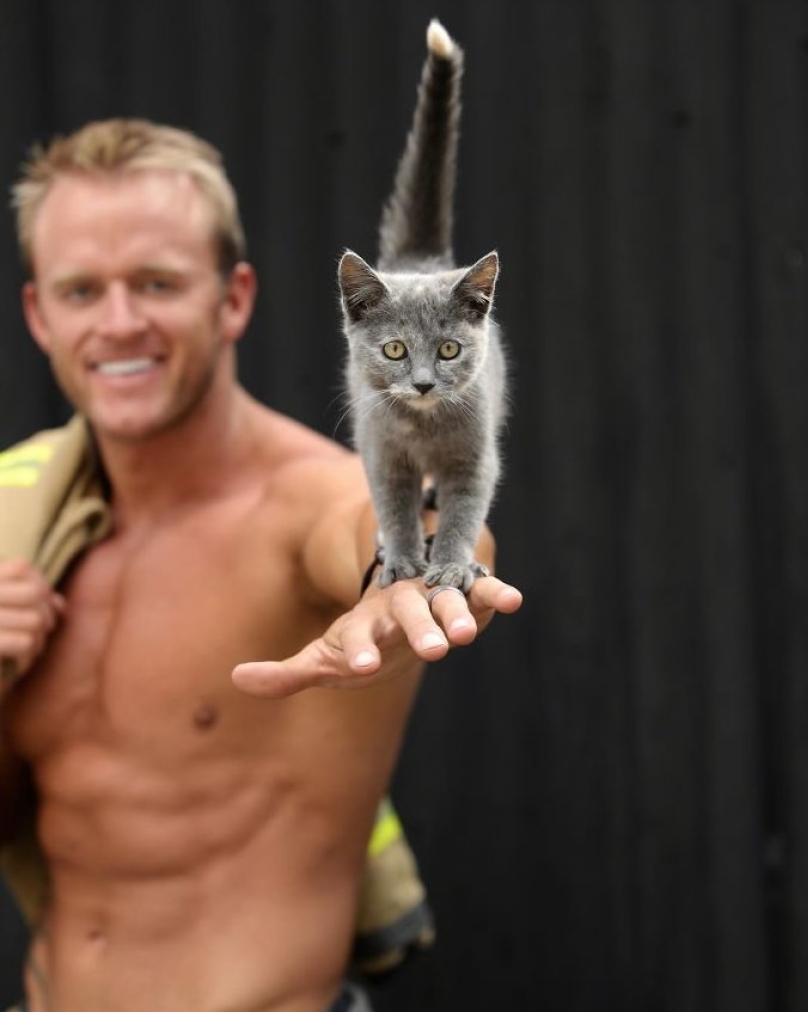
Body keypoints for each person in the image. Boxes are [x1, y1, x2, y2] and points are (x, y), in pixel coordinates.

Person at [0, 119, 522, 1012]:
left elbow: (378, 528)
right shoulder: (21, 520)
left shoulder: (301, 502)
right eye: (82, 289)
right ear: (39, 314)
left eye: (156, 282)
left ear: (233, 299)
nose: (119, 322)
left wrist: (406, 581)